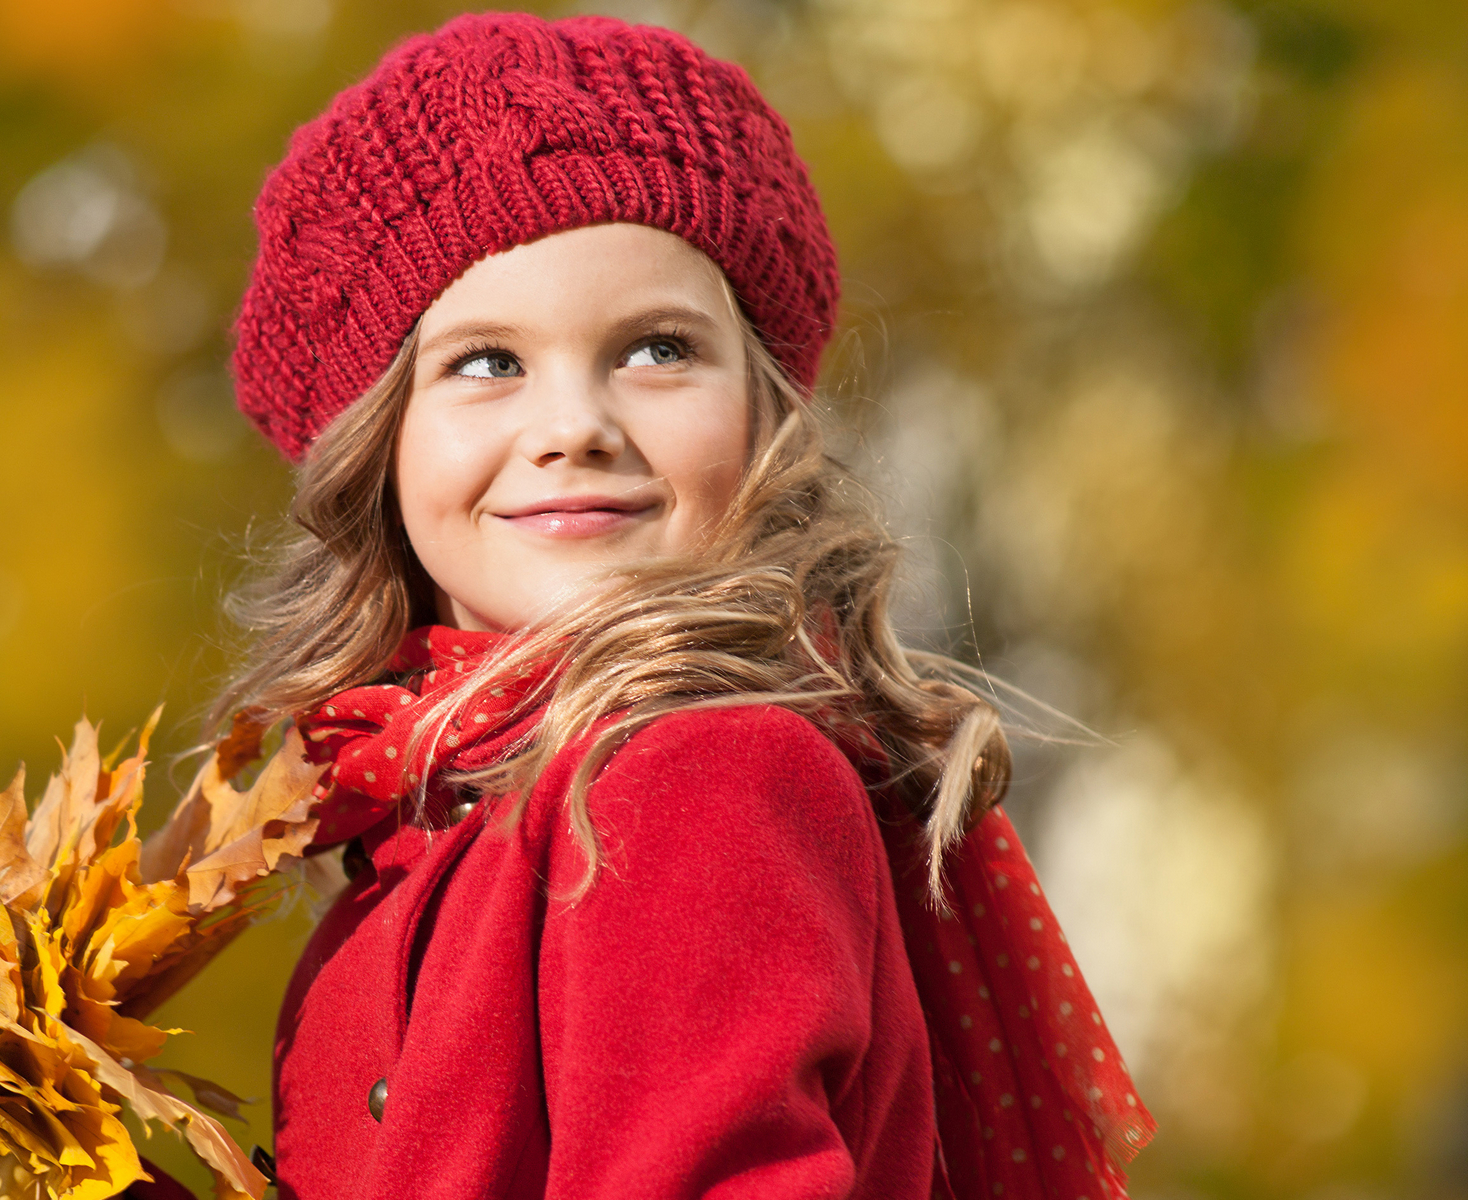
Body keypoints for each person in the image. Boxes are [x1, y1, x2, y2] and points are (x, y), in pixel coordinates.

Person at [88, 11, 1156, 1199]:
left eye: (655, 350)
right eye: (487, 363)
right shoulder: (410, 824)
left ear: (761, 411)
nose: (575, 427)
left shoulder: (696, 778)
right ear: (376, 446)